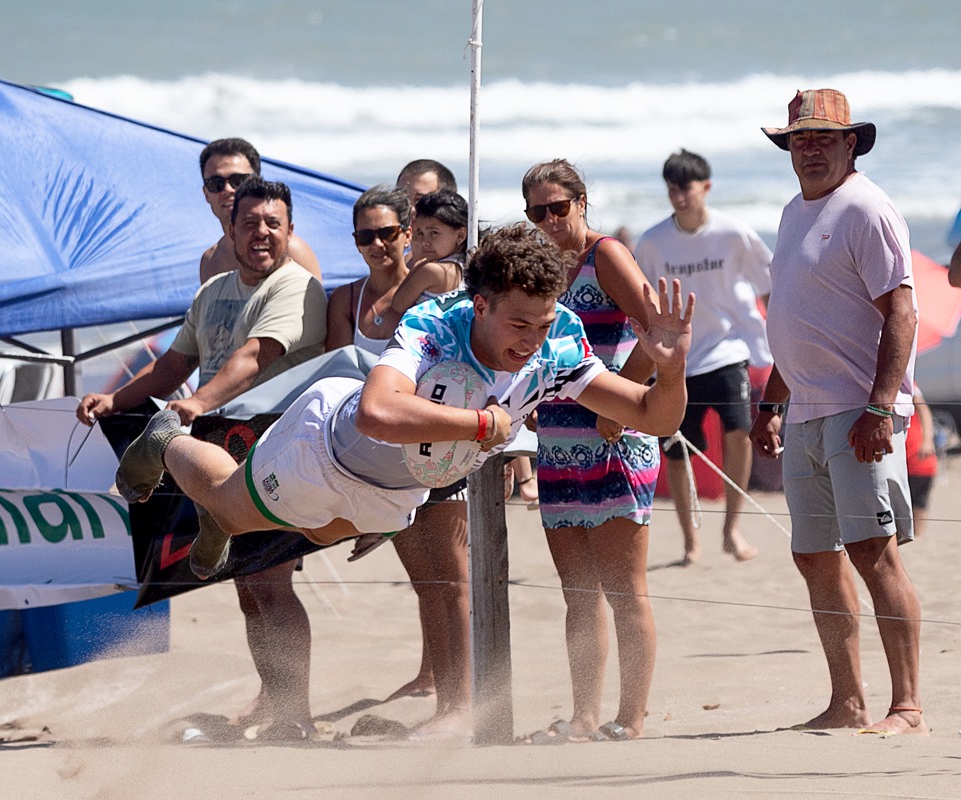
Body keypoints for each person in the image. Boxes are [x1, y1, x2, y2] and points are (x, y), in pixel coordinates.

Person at [114, 228, 692, 605]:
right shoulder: (435, 325)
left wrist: (670, 372)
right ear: (480, 305)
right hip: (328, 447)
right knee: (231, 506)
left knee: (320, 532)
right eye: (519, 325)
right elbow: (377, 412)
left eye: (542, 325)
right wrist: (483, 426)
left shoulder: (558, 343)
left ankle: (224, 512)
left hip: (397, 490)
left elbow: (653, 417)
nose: (531, 342)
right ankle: (167, 442)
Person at [77, 177, 328, 741]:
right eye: (250, 223)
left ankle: (296, 715)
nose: (261, 233)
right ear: (230, 230)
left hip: (276, 444)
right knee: (249, 587)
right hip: (221, 447)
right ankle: (279, 705)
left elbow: (255, 356)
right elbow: (174, 363)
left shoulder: (297, 287)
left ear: (289, 230)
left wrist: (195, 404)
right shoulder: (214, 290)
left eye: (273, 224)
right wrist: (117, 399)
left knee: (270, 582)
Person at [750, 88, 926, 735]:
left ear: (852, 143)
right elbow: (798, 318)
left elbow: (902, 311)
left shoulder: (866, 208)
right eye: (800, 139)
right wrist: (772, 402)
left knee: (873, 552)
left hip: (858, 410)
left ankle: (907, 707)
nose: (811, 149)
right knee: (815, 556)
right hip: (805, 413)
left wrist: (881, 406)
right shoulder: (793, 212)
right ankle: (847, 702)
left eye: (825, 138)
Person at [325, 186, 472, 739]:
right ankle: (446, 702)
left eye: (389, 232)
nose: (379, 243)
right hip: (381, 456)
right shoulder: (349, 300)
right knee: (427, 584)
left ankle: (461, 705)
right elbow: (335, 377)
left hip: (438, 438)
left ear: (407, 233)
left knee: (452, 581)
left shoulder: (442, 280)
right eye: (366, 235)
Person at [523, 158, 661, 742]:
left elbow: (658, 330)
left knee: (625, 591)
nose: (549, 220)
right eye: (537, 212)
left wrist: (621, 401)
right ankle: (583, 716)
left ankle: (630, 718)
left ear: (582, 202)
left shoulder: (606, 255)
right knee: (578, 595)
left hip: (614, 439)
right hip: (558, 442)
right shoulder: (542, 269)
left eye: (559, 207)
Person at [636, 149, 772, 565]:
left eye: (686, 189)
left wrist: (781, 338)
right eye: (672, 190)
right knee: (678, 450)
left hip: (729, 348)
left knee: (739, 430)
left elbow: (769, 284)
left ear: (707, 187)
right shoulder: (652, 242)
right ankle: (689, 541)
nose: (679, 198)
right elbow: (640, 303)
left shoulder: (734, 233)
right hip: (677, 359)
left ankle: (732, 529)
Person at [198, 137, 321, 284]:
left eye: (238, 181)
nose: (227, 189)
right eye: (215, 184)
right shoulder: (211, 262)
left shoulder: (292, 251)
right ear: (206, 193)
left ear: (257, 182)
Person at [906, 383, 937, 536]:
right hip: (896, 459)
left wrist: (927, 441)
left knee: (918, 503)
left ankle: (918, 537)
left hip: (917, 457)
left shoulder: (908, 382)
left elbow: (923, 409)